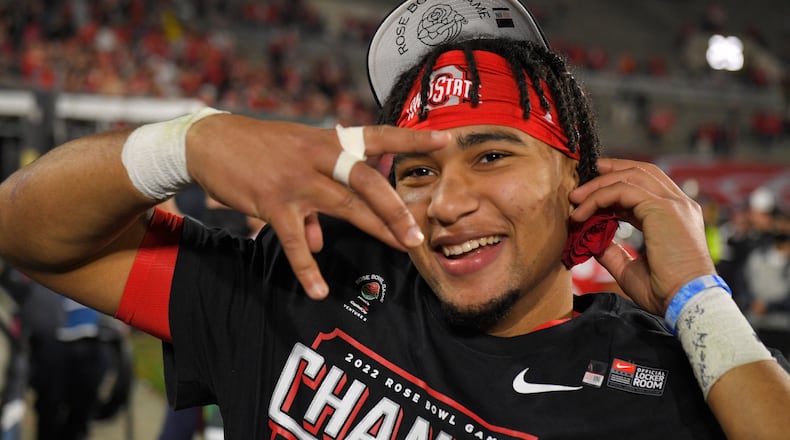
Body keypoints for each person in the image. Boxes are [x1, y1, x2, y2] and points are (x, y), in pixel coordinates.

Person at [0, 1, 789, 438]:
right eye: (417, 170)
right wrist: (187, 141)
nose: (445, 204)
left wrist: (702, 303)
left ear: (579, 180)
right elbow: (29, 231)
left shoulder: (672, 383)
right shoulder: (308, 281)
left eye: (491, 156)